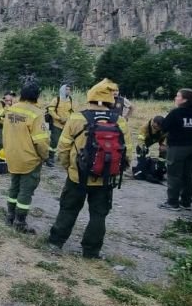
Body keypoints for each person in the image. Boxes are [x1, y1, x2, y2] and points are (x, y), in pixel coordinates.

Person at [48, 79, 132, 259]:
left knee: (68, 208)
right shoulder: (121, 121)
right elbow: (128, 153)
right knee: (98, 214)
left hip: (78, 176)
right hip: (105, 177)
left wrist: (69, 167)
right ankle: (91, 251)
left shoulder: (77, 118)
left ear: (90, 97)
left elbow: (62, 149)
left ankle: (56, 242)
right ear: (110, 99)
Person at [3, 82, 49, 234]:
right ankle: (20, 222)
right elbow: (41, 141)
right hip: (29, 158)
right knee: (25, 190)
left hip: (12, 155)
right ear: (36, 96)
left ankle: (10, 216)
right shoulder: (36, 113)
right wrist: (45, 156)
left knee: (14, 186)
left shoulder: (11, 109)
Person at [158, 89, 192, 211]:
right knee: (188, 175)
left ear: (184, 99)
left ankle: (172, 203)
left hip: (177, 147)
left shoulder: (176, 113)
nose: (175, 98)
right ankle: (186, 202)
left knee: (174, 175)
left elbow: (164, 127)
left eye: (178, 96)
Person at [45, 84, 74, 167]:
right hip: (56, 124)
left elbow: (72, 111)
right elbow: (51, 110)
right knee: (54, 142)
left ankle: (62, 157)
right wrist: (58, 118)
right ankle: (50, 158)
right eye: (66, 89)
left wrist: (69, 119)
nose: (68, 91)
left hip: (67, 125)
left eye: (69, 89)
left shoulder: (70, 100)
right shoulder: (56, 100)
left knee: (66, 141)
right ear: (62, 90)